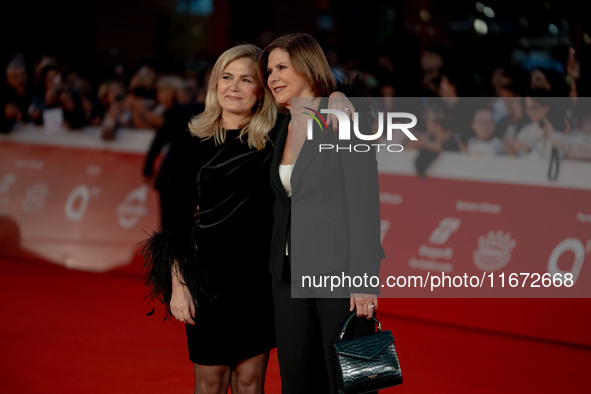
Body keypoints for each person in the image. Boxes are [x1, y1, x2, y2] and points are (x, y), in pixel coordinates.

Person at [143, 44, 277, 394]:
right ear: (215, 84)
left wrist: (338, 96)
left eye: (245, 79)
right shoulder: (190, 140)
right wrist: (178, 284)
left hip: (258, 281)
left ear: (261, 91)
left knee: (250, 383)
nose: (233, 86)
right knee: (210, 382)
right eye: (226, 77)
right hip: (206, 278)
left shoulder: (277, 139)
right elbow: (173, 221)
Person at [259, 33, 383, 394]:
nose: (273, 78)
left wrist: (364, 279)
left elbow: (364, 203)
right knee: (296, 378)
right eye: (269, 71)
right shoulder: (279, 125)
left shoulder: (342, 119)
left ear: (309, 69)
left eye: (282, 67)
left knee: (348, 381)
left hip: (337, 272)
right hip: (286, 274)